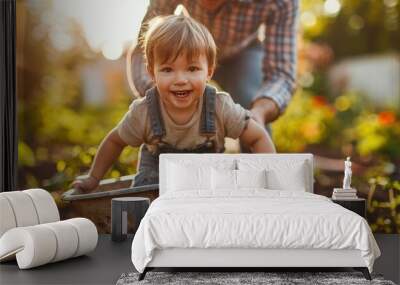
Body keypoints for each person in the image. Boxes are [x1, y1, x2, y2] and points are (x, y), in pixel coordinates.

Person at [73, 15, 275, 193]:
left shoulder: (219, 106)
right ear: (152, 73)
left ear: (209, 72)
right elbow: (115, 141)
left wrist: (270, 177)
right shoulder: (144, 111)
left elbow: (257, 136)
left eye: (192, 68)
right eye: (168, 70)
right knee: (141, 204)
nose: (180, 79)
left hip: (208, 190)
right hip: (156, 190)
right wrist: (93, 178)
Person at [128, 0, 299, 128]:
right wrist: (159, 97)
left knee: (248, 97)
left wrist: (259, 113)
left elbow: (281, 74)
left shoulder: (280, 2)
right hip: (187, 49)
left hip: (243, 52)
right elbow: (143, 52)